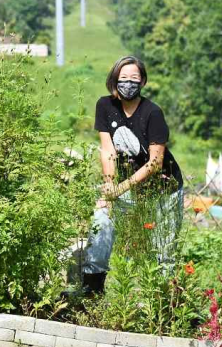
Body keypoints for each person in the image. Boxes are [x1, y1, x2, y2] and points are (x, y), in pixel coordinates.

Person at [82, 55, 183, 293]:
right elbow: (107, 151)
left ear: (143, 82)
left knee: (163, 248)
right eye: (123, 78)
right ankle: (91, 289)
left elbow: (155, 163)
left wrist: (120, 188)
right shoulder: (105, 106)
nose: (128, 83)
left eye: (134, 79)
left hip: (163, 188)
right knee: (101, 221)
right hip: (125, 185)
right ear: (114, 79)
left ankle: (161, 303)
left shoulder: (153, 113)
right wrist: (109, 188)